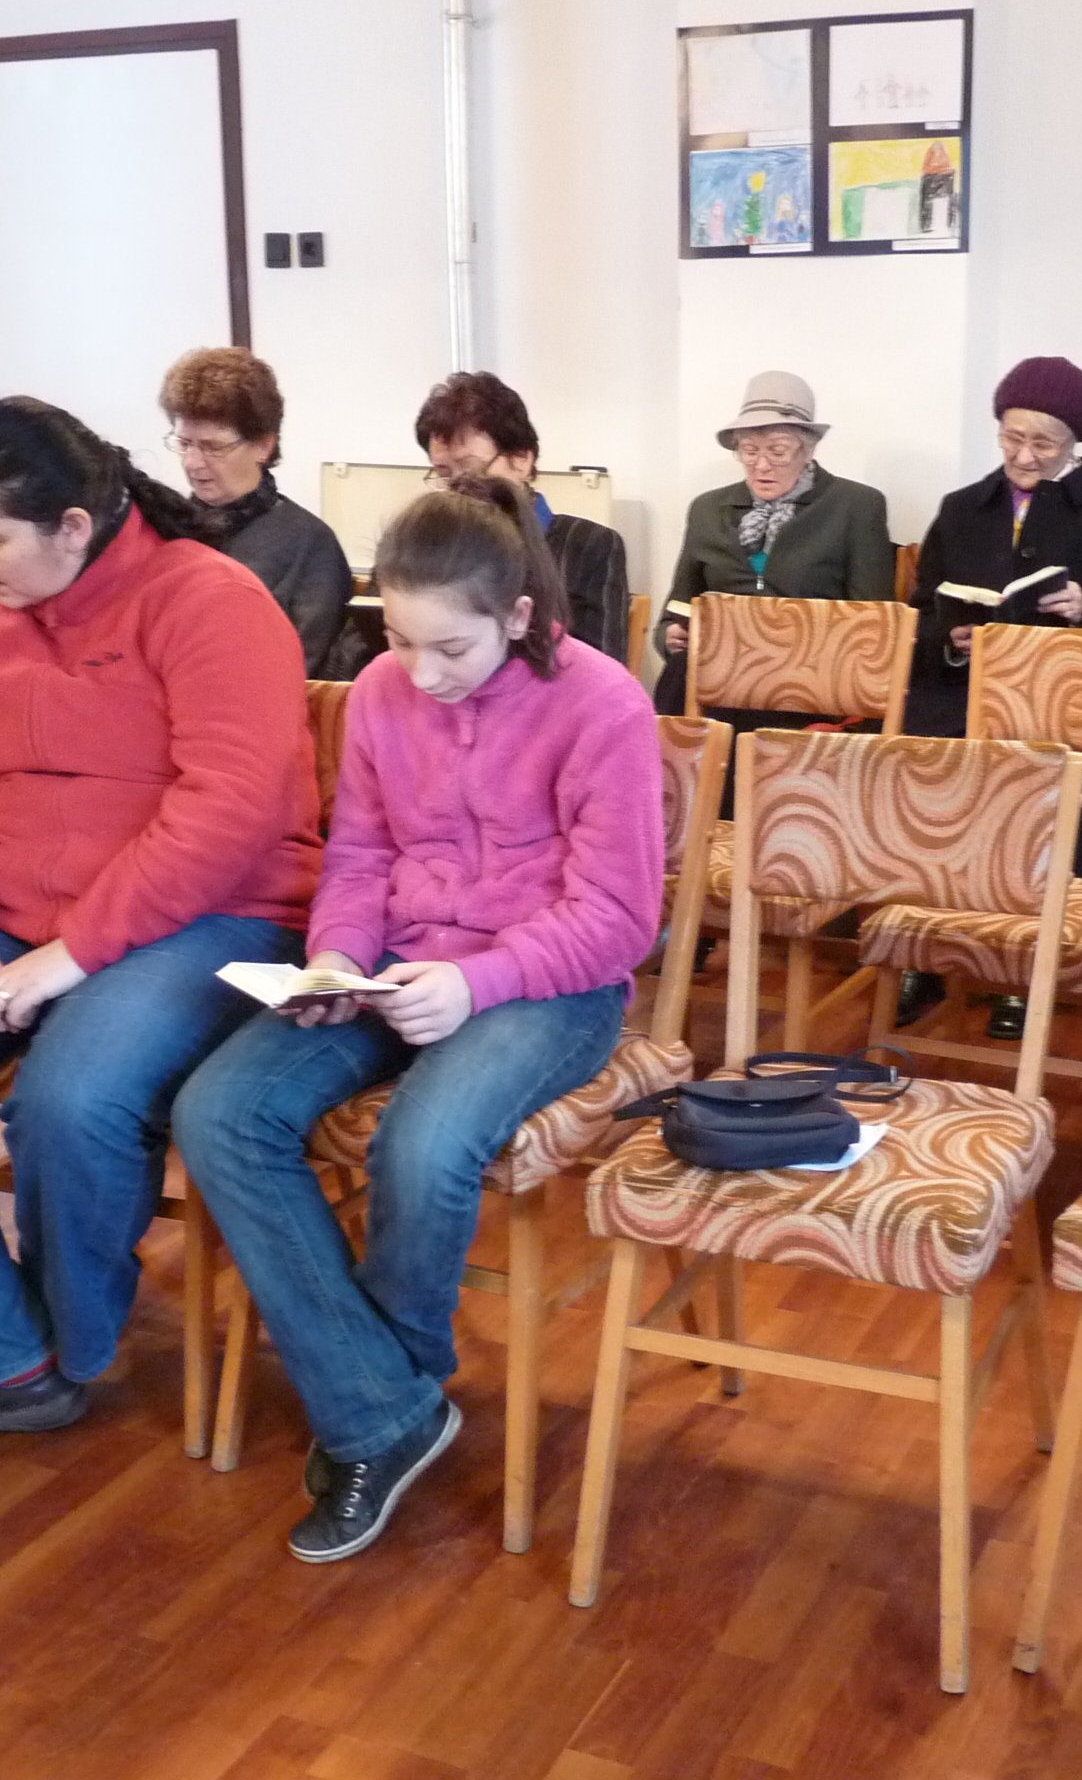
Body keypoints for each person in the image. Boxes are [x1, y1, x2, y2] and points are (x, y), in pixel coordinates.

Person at [0, 396, 323, 1454]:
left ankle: (65, 1339)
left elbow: (226, 814)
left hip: (203, 913)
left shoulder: (211, 601)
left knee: (73, 1100)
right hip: (6, 911)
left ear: (73, 527)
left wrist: (68, 957)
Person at [173, 474, 661, 1564]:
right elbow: (358, 856)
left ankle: (374, 1408)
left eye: (452, 648)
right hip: (394, 965)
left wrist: (477, 983)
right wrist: (337, 958)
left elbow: (617, 920)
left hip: (550, 984)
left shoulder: (604, 704)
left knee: (427, 1141)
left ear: (519, 617)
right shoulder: (383, 694)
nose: (423, 672)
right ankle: (385, 1409)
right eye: (398, 640)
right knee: (218, 1113)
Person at [900, 356, 1082, 1032]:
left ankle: (1029, 966)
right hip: (970, 701)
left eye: (1043, 443)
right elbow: (921, 610)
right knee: (929, 779)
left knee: (1064, 792)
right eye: (1011, 437)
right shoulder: (962, 508)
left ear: (1076, 442)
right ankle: (925, 952)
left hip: (1073, 708)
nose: (1023, 456)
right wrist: (950, 637)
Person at [653, 370, 895, 717]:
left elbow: (874, 623)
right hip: (720, 678)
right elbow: (677, 607)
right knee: (681, 675)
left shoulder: (855, 505)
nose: (762, 465)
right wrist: (671, 635)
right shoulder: (708, 509)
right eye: (749, 451)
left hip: (813, 679)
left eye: (778, 451)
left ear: (809, 449)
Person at [156, 346, 355, 677]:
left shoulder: (311, 544)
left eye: (213, 447)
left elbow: (304, 668)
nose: (192, 463)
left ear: (264, 445)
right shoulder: (163, 529)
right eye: (185, 444)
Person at [416, 371, 631, 661]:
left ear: (521, 459)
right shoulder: (421, 543)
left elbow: (602, 668)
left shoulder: (589, 546)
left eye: (470, 469)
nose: (457, 487)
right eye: (443, 473)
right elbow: (365, 642)